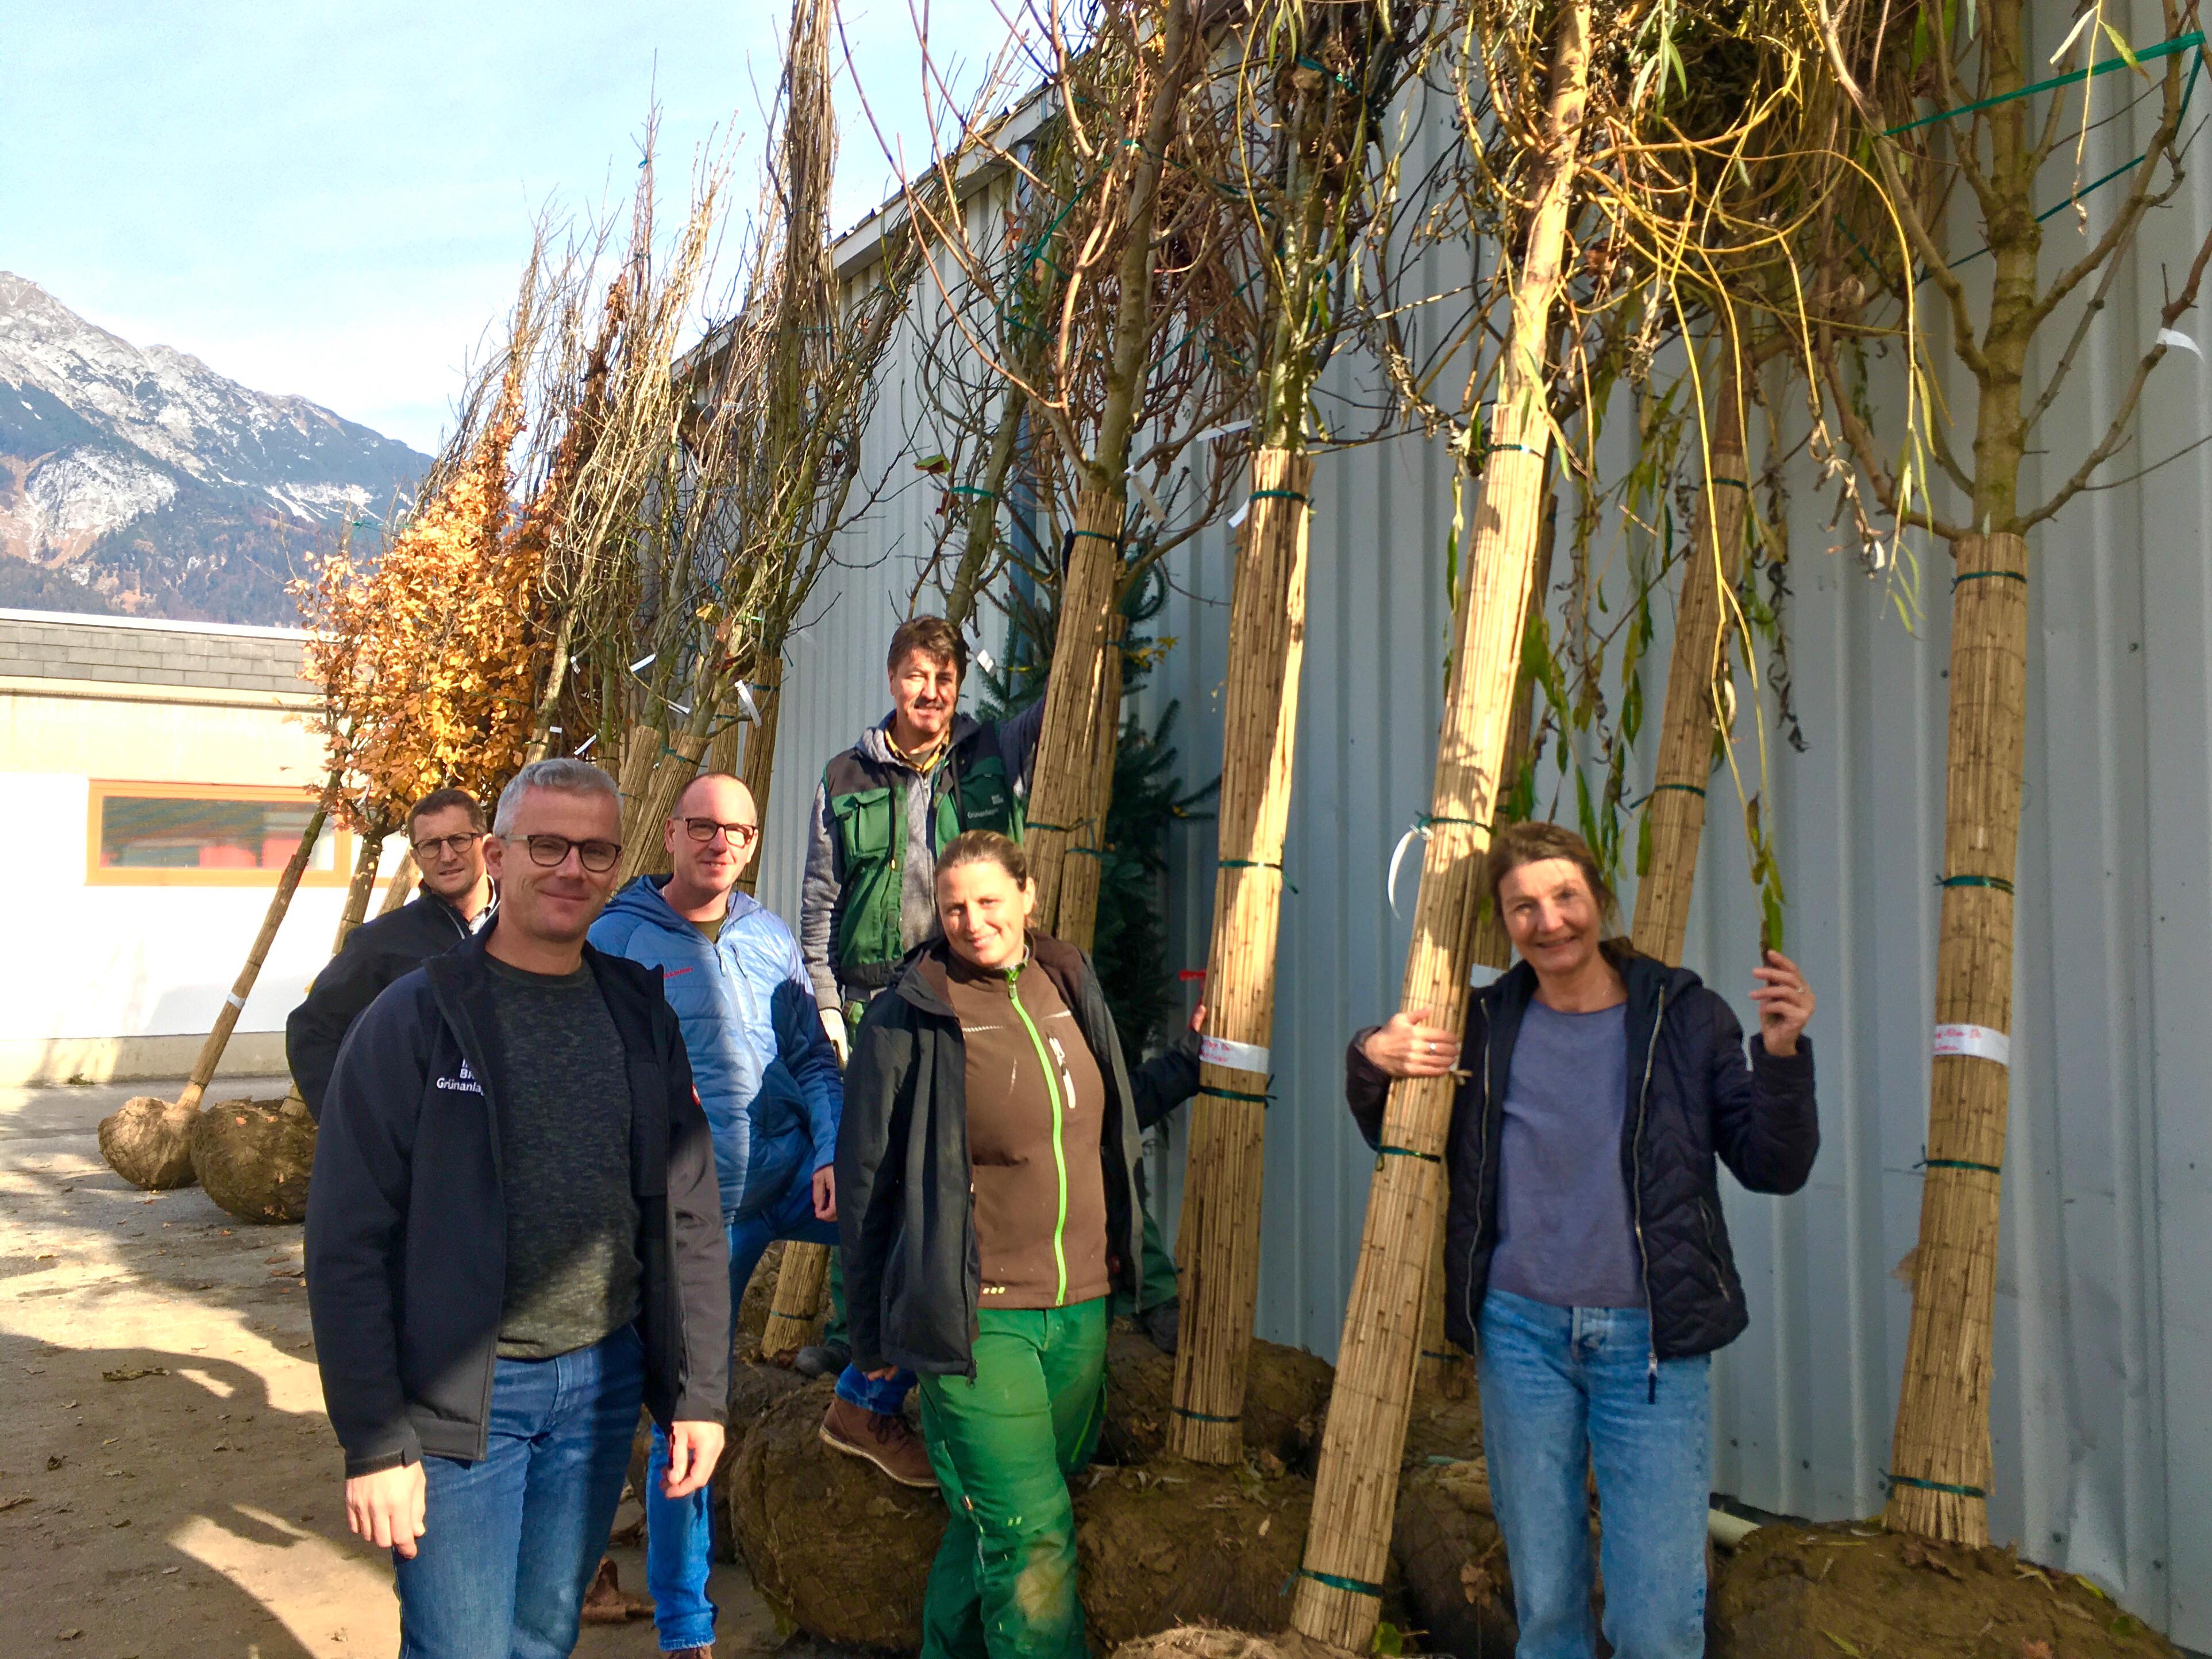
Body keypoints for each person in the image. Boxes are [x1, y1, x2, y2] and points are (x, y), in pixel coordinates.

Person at [1346, 820, 1817, 1659]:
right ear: (1502, 923)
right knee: (1550, 1608)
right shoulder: (1482, 1026)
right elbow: (1393, 1130)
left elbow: (1771, 1165)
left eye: (1564, 896)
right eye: (1522, 906)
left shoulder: (1684, 1015)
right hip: (1520, 1335)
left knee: (1655, 1618)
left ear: (1597, 898)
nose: (1548, 920)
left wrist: (1780, 1056)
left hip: (1650, 1341)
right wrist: (1372, 1054)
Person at [305, 758, 731, 1659]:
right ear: (498, 855)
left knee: (543, 1636)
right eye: (548, 846)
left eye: (596, 851)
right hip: (464, 1401)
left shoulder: (638, 1015)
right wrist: (374, 1441)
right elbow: (346, 1243)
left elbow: (688, 1214)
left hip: (601, 1388)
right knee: (460, 1647)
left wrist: (698, 1394)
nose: (573, 869)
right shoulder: (413, 1021)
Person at [839, 830, 1203, 1659]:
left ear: (1027, 898)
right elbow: (865, 1184)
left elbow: (1104, 1117)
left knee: (994, 1521)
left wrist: (1185, 1065)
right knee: (1032, 1531)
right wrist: (870, 1336)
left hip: (1078, 1306)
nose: (971, 922)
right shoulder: (913, 1013)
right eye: (954, 906)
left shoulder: (1066, 980)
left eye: (988, 901)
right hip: (977, 1319)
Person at [591, 771, 929, 1657]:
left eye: (738, 832)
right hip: (696, 1217)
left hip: (784, 1176)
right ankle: (685, 1627)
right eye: (703, 827)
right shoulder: (617, 940)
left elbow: (816, 1065)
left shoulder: (769, 937)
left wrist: (826, 1151)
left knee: (918, 1244)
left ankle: (863, 1400)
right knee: (688, 1415)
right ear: (670, 834)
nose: (720, 844)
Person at [797, 614, 1183, 1373]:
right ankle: (856, 1331)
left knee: (1064, 1120)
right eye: (915, 675)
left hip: (979, 981)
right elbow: (819, 899)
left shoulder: (992, 753)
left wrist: (1083, 601)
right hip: (876, 997)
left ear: (958, 686)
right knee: (869, 1158)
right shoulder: (845, 776)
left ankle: (1148, 1284)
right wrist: (823, 1003)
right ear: (891, 680)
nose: (930, 692)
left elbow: (1066, 693)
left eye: (944, 679)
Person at [286, 786, 496, 1120]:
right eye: (431, 846)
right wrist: (351, 1124)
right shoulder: (381, 943)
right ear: (416, 858)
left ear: (486, 845)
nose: (447, 856)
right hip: (425, 1145)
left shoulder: (522, 929)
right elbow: (311, 1030)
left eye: (459, 839)